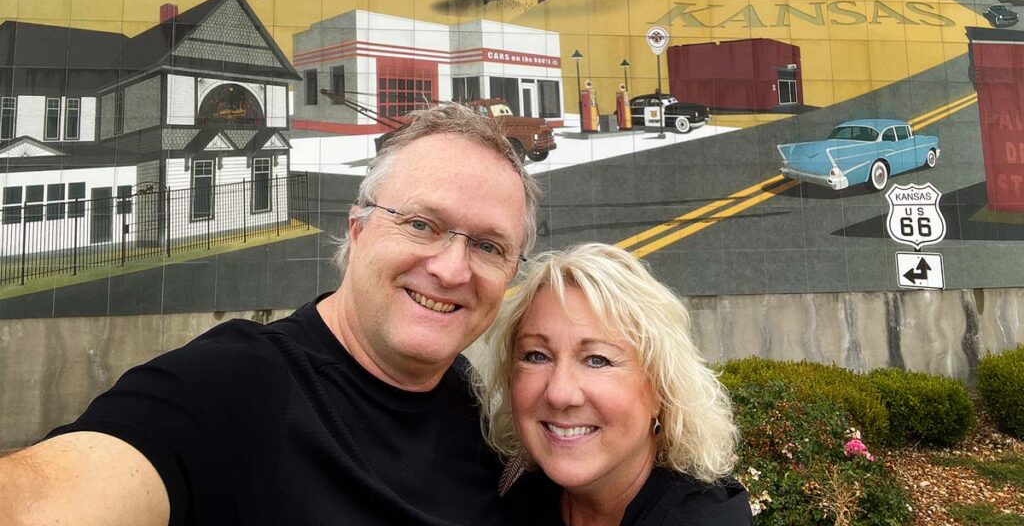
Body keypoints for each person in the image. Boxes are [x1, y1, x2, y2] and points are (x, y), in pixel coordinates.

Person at [0, 103, 541, 526]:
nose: (451, 270)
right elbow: (52, 496)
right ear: (357, 231)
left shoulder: (484, 420)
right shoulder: (234, 384)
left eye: (489, 247)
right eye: (422, 224)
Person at [474, 243, 753, 526]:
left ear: (661, 389)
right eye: (537, 355)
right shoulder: (515, 495)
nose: (559, 393)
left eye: (597, 360)